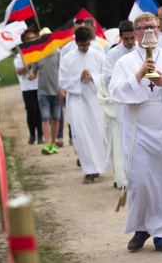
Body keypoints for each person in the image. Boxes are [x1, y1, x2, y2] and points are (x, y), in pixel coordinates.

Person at [109, 12, 162, 254]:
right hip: (139, 128)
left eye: (153, 27)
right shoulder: (124, 63)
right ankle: (142, 227)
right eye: (143, 28)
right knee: (141, 181)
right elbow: (116, 93)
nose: (149, 32)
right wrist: (139, 73)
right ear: (135, 33)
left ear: (159, 29)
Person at [58, 27, 108, 184]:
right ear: (76, 42)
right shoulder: (68, 58)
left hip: (95, 100)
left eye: (87, 44)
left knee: (97, 133)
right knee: (81, 134)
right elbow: (63, 81)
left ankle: (98, 167)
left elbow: (106, 77)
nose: (85, 48)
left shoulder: (98, 55)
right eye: (82, 45)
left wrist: (93, 77)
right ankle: (88, 170)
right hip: (77, 100)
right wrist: (78, 79)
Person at [99, 20, 136, 188]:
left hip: (137, 103)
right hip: (120, 104)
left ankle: (136, 177)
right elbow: (106, 77)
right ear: (120, 38)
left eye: (132, 38)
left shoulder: (140, 51)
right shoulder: (113, 54)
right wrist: (127, 78)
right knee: (119, 141)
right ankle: (121, 178)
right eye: (126, 39)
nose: (130, 42)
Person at [29, 27, 64, 155]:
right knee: (45, 118)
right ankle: (48, 144)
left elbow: (62, 72)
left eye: (48, 36)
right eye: (44, 37)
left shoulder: (58, 53)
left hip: (56, 91)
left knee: (56, 118)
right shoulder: (38, 55)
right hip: (43, 92)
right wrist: (32, 76)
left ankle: (53, 143)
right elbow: (34, 72)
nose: (46, 39)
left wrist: (61, 89)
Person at [14, 29, 43, 145]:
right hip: (27, 87)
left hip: (40, 85)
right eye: (29, 39)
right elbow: (19, 71)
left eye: (33, 38)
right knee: (32, 111)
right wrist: (29, 65)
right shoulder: (19, 56)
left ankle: (41, 135)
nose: (32, 40)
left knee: (40, 111)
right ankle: (32, 135)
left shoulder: (40, 53)